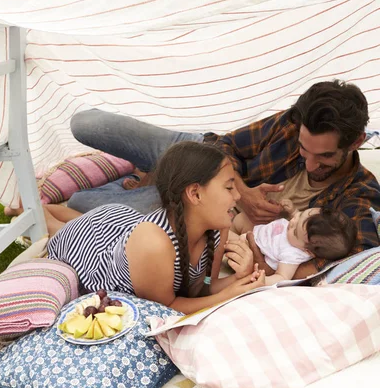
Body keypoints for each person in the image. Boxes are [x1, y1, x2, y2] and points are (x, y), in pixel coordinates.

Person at [67, 80, 380, 277]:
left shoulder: (359, 193)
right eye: (303, 149)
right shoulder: (292, 122)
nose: (310, 164)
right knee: (85, 123)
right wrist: (243, 192)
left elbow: (356, 261)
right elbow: (225, 145)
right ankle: (146, 172)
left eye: (324, 157)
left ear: (357, 142)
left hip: (198, 199)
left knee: (79, 203)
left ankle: (147, 178)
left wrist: (267, 262)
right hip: (198, 152)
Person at [46, 141, 265, 314]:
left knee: (78, 218)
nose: (237, 196)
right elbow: (164, 307)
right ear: (195, 194)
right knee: (56, 228)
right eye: (229, 187)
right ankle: (39, 208)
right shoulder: (155, 244)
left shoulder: (217, 228)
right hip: (94, 245)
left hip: (123, 225)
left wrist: (240, 279)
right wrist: (228, 296)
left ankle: (49, 209)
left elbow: (204, 286)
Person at [230, 199, 357, 285]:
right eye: (301, 215)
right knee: (242, 219)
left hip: (250, 250)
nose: (292, 222)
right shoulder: (302, 233)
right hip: (257, 233)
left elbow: (282, 277)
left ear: (306, 251)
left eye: (295, 231)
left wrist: (263, 280)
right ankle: (229, 226)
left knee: (227, 236)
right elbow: (300, 222)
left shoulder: (293, 255)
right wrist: (293, 211)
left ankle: (223, 233)